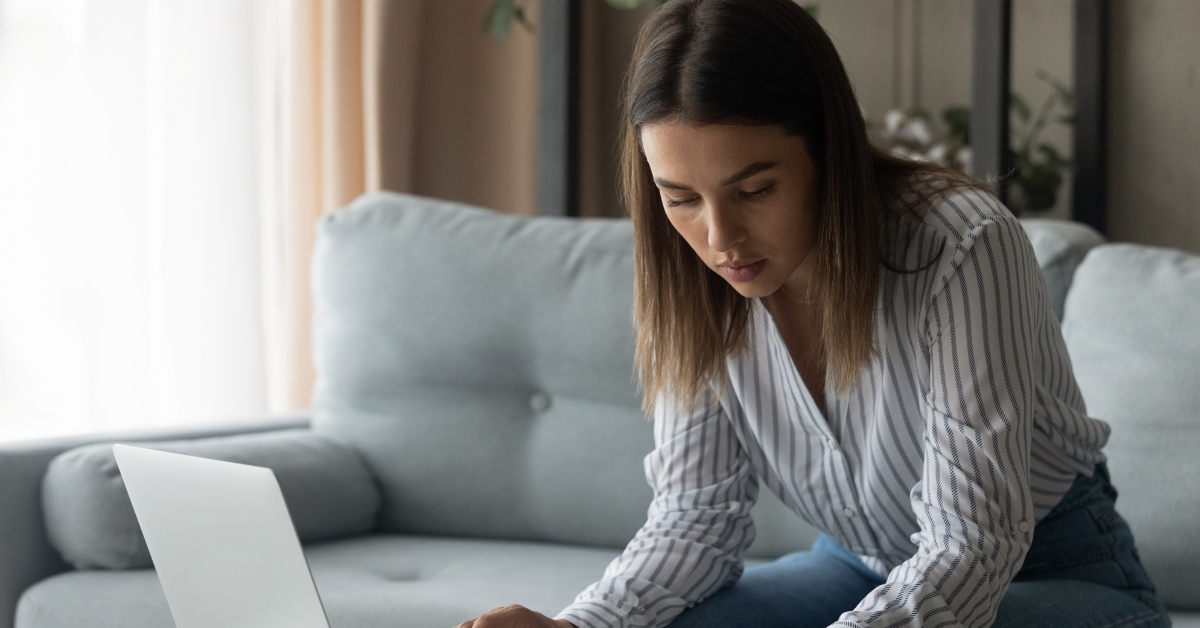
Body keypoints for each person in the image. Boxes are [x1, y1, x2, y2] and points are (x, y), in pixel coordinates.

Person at [456, 0, 1169, 627]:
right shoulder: (691, 276)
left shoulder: (960, 245)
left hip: (1058, 574)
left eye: (755, 189)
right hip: (861, 567)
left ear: (830, 152)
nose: (719, 238)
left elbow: (969, 545)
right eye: (681, 199)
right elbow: (694, 521)